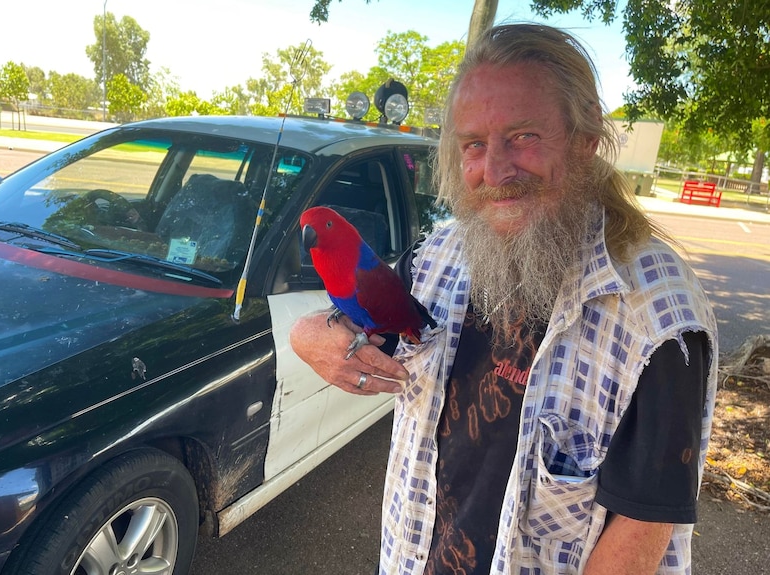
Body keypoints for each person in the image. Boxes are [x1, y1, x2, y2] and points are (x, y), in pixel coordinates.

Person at [290, 23, 718, 575]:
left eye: (523, 137)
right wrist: (309, 336)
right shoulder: (442, 251)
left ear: (586, 143)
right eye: (473, 145)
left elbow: (643, 528)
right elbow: (367, 318)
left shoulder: (659, 318)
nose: (494, 172)